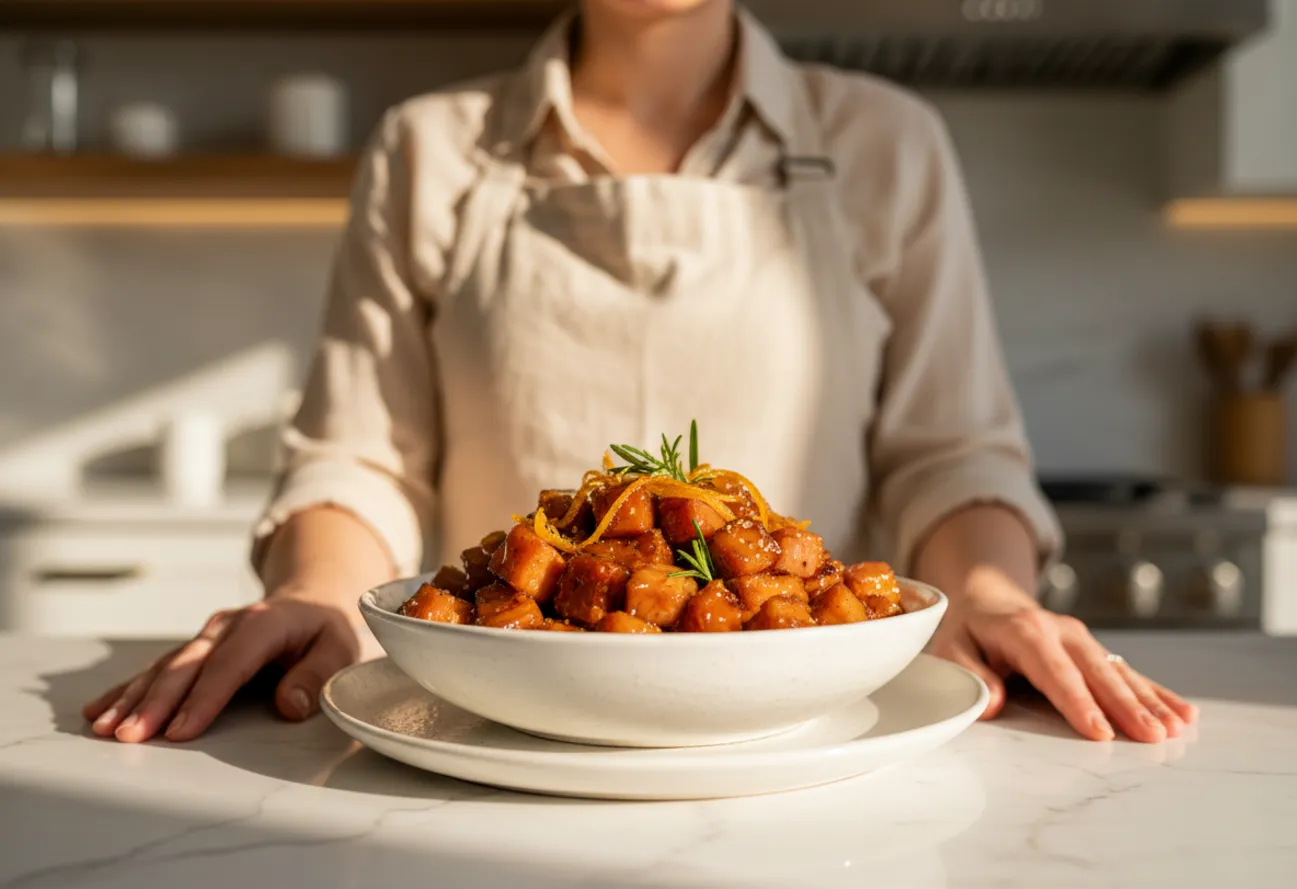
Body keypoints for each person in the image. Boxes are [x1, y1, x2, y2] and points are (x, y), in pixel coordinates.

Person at [84, 0, 1196, 746]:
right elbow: (360, 452)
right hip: (488, 742)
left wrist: (990, 592)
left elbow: (947, 451)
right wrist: (316, 590)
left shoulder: (885, 142)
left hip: (806, 744)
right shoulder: (431, 146)